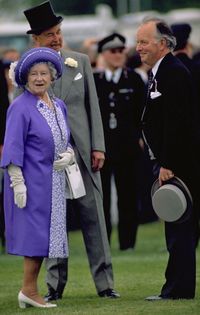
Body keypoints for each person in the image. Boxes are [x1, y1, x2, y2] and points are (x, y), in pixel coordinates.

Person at [23, 1, 119, 301]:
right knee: (54, 223)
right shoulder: (26, 69)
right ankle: (54, 286)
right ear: (36, 38)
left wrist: (98, 146)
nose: (57, 38)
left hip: (83, 155)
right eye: (50, 34)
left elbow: (94, 108)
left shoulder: (79, 61)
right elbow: (22, 115)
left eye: (59, 32)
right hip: (48, 161)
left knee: (95, 220)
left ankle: (105, 285)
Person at [1, 46, 75, 308]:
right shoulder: (20, 107)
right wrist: (17, 183)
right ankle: (29, 291)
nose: (39, 78)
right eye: (33, 73)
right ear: (25, 77)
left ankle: (29, 291)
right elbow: (12, 146)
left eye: (44, 73)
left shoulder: (59, 105)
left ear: (53, 77)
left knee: (45, 237)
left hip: (52, 183)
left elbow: (65, 140)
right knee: (34, 237)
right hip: (29, 183)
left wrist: (69, 154)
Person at [136, 18, 200, 300]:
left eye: (144, 42)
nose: (138, 48)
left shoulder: (173, 72)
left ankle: (178, 289)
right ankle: (176, 287)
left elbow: (178, 124)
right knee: (176, 229)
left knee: (180, 228)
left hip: (177, 166)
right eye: (138, 42)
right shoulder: (161, 72)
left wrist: (167, 164)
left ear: (163, 44)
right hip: (170, 163)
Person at [93, 33, 145, 250]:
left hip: (128, 148)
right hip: (102, 149)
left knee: (128, 196)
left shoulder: (134, 79)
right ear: (103, 54)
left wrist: (141, 139)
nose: (118, 54)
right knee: (101, 198)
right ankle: (103, 243)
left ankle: (128, 243)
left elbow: (143, 113)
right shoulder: (95, 81)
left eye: (121, 50)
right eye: (113, 51)